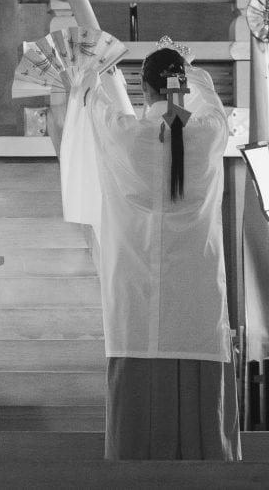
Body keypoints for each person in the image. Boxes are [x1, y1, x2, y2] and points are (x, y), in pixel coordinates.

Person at [83, 41, 241, 461]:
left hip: (135, 298)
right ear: (183, 85)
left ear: (142, 88)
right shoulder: (207, 135)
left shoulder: (126, 137)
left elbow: (91, 101)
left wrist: (92, 71)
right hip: (196, 297)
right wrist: (190, 70)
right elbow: (211, 107)